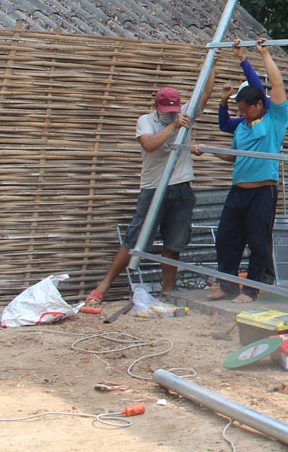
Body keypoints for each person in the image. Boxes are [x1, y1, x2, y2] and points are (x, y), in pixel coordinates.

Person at [83, 73, 216, 308]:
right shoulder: (145, 120)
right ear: (156, 106)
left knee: (173, 243)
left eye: (173, 110)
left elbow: (205, 93)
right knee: (134, 240)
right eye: (166, 110)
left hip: (181, 185)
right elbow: (150, 145)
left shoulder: (185, 112)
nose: (170, 114)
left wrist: (213, 62)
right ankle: (102, 287)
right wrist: (175, 126)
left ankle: (167, 293)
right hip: (153, 187)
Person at [206, 37, 288, 304]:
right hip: (237, 192)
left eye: (244, 110)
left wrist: (255, 56)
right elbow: (234, 158)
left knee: (258, 242)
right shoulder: (241, 126)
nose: (241, 114)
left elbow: (275, 84)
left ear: (259, 105)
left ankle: (250, 290)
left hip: (262, 192)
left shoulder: (275, 119)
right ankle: (228, 287)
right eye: (238, 110)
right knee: (227, 239)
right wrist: (205, 149)